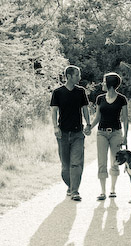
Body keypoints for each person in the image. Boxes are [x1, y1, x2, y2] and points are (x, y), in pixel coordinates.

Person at [50, 65, 91, 201]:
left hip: (77, 133)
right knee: (65, 167)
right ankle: (71, 185)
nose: (79, 77)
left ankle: (75, 191)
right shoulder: (58, 92)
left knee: (76, 163)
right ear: (69, 76)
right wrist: (55, 127)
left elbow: (85, 109)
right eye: (77, 75)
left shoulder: (81, 92)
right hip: (62, 134)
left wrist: (88, 124)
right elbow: (54, 111)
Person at [90, 72, 128, 200]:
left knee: (115, 161)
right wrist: (89, 127)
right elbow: (97, 117)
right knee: (102, 162)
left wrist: (126, 136)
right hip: (101, 133)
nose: (102, 83)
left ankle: (112, 189)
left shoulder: (122, 99)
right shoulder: (100, 98)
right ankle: (102, 191)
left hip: (116, 133)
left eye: (104, 81)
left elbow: (125, 119)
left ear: (110, 84)